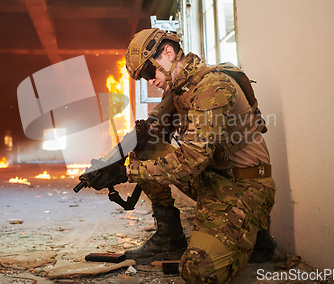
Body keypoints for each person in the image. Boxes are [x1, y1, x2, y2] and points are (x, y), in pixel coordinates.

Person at [88, 28, 276, 283]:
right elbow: (152, 133)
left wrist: (126, 172)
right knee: (145, 146)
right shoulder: (181, 89)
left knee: (198, 272)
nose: (150, 80)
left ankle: (256, 233)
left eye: (148, 71)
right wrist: (115, 159)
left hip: (245, 186)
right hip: (213, 180)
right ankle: (169, 237)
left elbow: (191, 161)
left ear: (167, 52)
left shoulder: (212, 87)